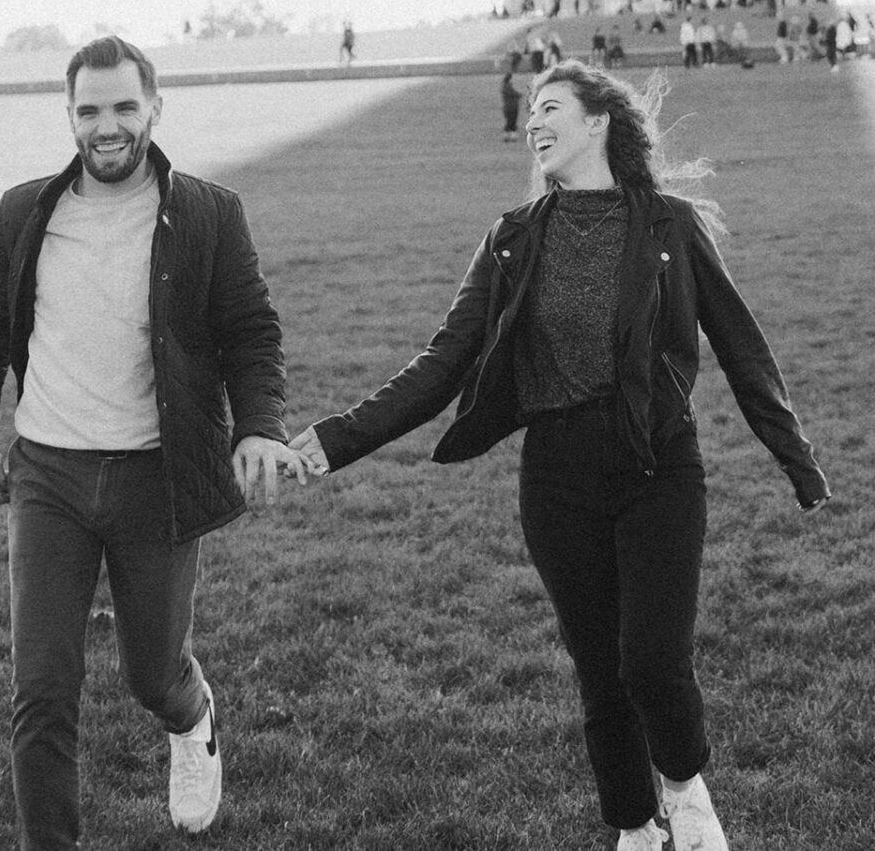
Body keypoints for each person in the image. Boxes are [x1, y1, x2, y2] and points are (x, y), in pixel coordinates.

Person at [290, 60, 829, 851]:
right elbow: (443, 363)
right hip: (557, 477)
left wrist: (797, 460)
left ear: (598, 121)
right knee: (599, 674)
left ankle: (682, 784)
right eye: (532, 112)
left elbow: (742, 348)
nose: (535, 122)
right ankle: (633, 827)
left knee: (651, 661)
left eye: (551, 108)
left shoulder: (668, 225)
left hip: (657, 466)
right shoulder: (512, 238)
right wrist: (334, 440)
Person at [0, 36, 307, 850]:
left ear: (154, 109)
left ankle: (193, 718)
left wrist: (257, 426)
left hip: (157, 476)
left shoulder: (210, 212)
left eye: (123, 108)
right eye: (88, 111)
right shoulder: (24, 210)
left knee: (152, 674)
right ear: (69, 116)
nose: (107, 127)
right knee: (40, 690)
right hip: (48, 476)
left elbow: (251, 333)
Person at [500, 69, 522, 141]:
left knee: (509, 121)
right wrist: (519, 94)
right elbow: (516, 94)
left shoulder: (504, 86)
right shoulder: (508, 87)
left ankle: (507, 135)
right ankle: (512, 136)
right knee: (512, 121)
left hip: (507, 107)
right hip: (512, 107)